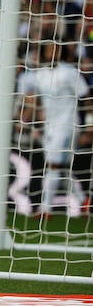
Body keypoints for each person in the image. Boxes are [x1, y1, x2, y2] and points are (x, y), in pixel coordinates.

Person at [18, 40, 91, 218]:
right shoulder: (39, 75)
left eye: (56, 49)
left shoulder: (70, 73)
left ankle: (45, 208)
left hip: (68, 124)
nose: (52, 52)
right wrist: (25, 119)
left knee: (53, 165)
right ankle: (84, 201)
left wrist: (89, 123)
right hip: (49, 127)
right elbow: (32, 99)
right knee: (61, 168)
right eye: (49, 49)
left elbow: (86, 98)